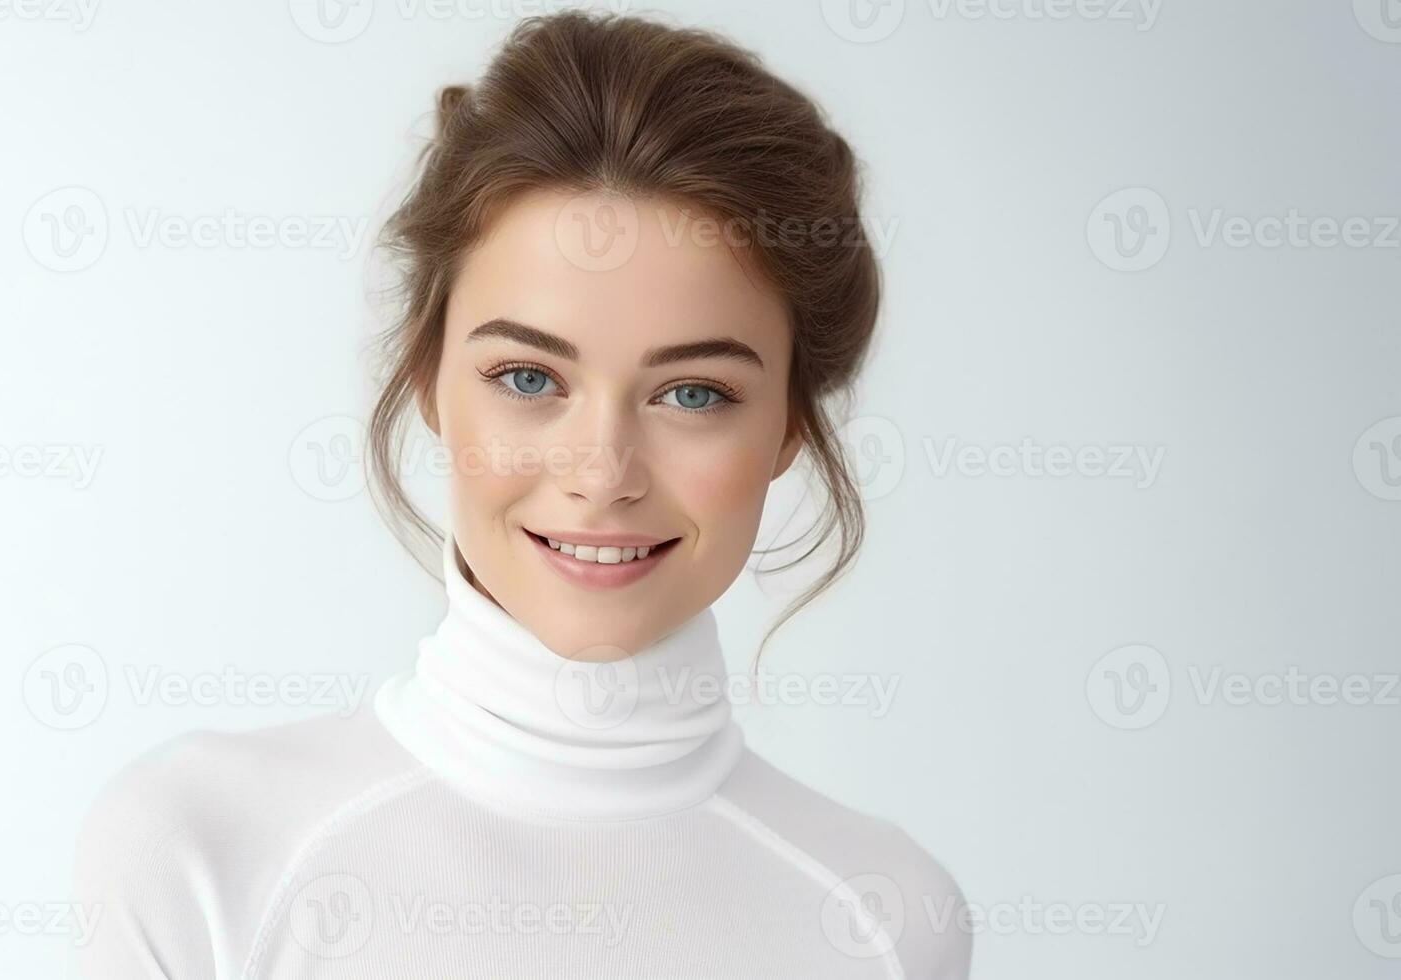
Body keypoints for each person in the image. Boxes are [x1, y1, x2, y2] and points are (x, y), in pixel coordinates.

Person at [70, 10, 972, 978]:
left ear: (790, 423)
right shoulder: (201, 851)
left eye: (693, 393)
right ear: (428, 377)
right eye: (530, 377)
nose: (602, 472)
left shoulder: (885, 917)